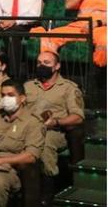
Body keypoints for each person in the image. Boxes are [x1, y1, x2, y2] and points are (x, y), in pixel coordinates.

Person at [0, 80, 45, 207]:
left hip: (12, 169)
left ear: (22, 98)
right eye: (3, 95)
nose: (6, 99)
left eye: (11, 95)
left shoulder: (33, 121)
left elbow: (31, 156)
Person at [31, 0, 106, 65]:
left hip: (100, 27)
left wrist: (98, 23)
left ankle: (97, 74)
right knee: (49, 37)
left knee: (105, 41)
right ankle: (49, 68)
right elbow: (68, 5)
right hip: (79, 26)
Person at [24, 51, 84, 179]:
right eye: (39, 63)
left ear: (57, 66)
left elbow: (78, 117)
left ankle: (48, 186)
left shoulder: (68, 88)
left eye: (46, 63)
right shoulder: (29, 86)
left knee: (44, 144)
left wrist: (56, 122)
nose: (42, 65)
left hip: (53, 130)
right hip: (28, 128)